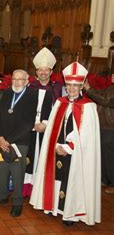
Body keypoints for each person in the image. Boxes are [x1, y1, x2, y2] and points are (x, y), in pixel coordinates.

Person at [30, 62, 101, 226]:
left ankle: (70, 213)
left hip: (76, 154)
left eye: (76, 86)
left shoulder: (88, 107)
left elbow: (87, 134)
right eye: (69, 85)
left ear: (82, 86)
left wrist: (69, 147)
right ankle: (54, 207)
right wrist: (55, 145)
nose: (72, 89)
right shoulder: (60, 103)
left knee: (72, 179)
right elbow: (52, 129)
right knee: (56, 177)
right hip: (56, 149)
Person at [0, 69, 37, 217]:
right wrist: (0, 137)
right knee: (1, 170)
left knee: (17, 173)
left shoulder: (31, 96)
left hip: (19, 142)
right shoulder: (7, 93)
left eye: (20, 79)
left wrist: (9, 140)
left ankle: (17, 202)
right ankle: (2, 196)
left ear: (26, 81)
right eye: (15, 79)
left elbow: (28, 124)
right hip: (2, 140)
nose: (17, 82)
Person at [23, 47, 59, 197]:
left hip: (48, 129)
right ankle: (27, 190)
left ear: (51, 72)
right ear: (36, 72)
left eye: (46, 70)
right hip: (30, 129)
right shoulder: (30, 87)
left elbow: (60, 111)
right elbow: (22, 109)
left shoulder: (57, 89)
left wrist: (46, 125)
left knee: (43, 159)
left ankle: (41, 192)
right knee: (28, 159)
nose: (43, 73)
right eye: (40, 70)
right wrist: (30, 124)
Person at [84, 74, 114, 194]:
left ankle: (113, 182)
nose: (112, 76)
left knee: (110, 156)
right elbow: (101, 94)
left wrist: (88, 89)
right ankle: (105, 179)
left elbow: (106, 100)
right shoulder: (110, 87)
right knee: (103, 154)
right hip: (103, 125)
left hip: (110, 127)